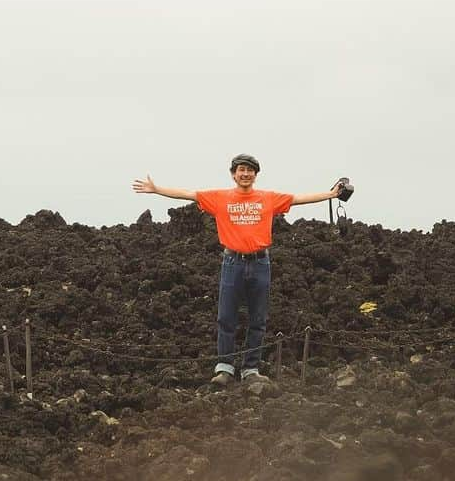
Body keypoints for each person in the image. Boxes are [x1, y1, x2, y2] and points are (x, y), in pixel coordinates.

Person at [132, 154, 342, 393]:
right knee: (226, 316)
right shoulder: (220, 198)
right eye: (241, 170)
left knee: (258, 318)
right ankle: (225, 368)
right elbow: (188, 194)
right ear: (233, 174)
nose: (245, 174)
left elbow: (298, 199)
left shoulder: (268, 198)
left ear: (255, 175)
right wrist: (157, 189)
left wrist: (331, 194)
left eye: (250, 170)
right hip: (232, 262)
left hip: (261, 262)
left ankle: (251, 369)